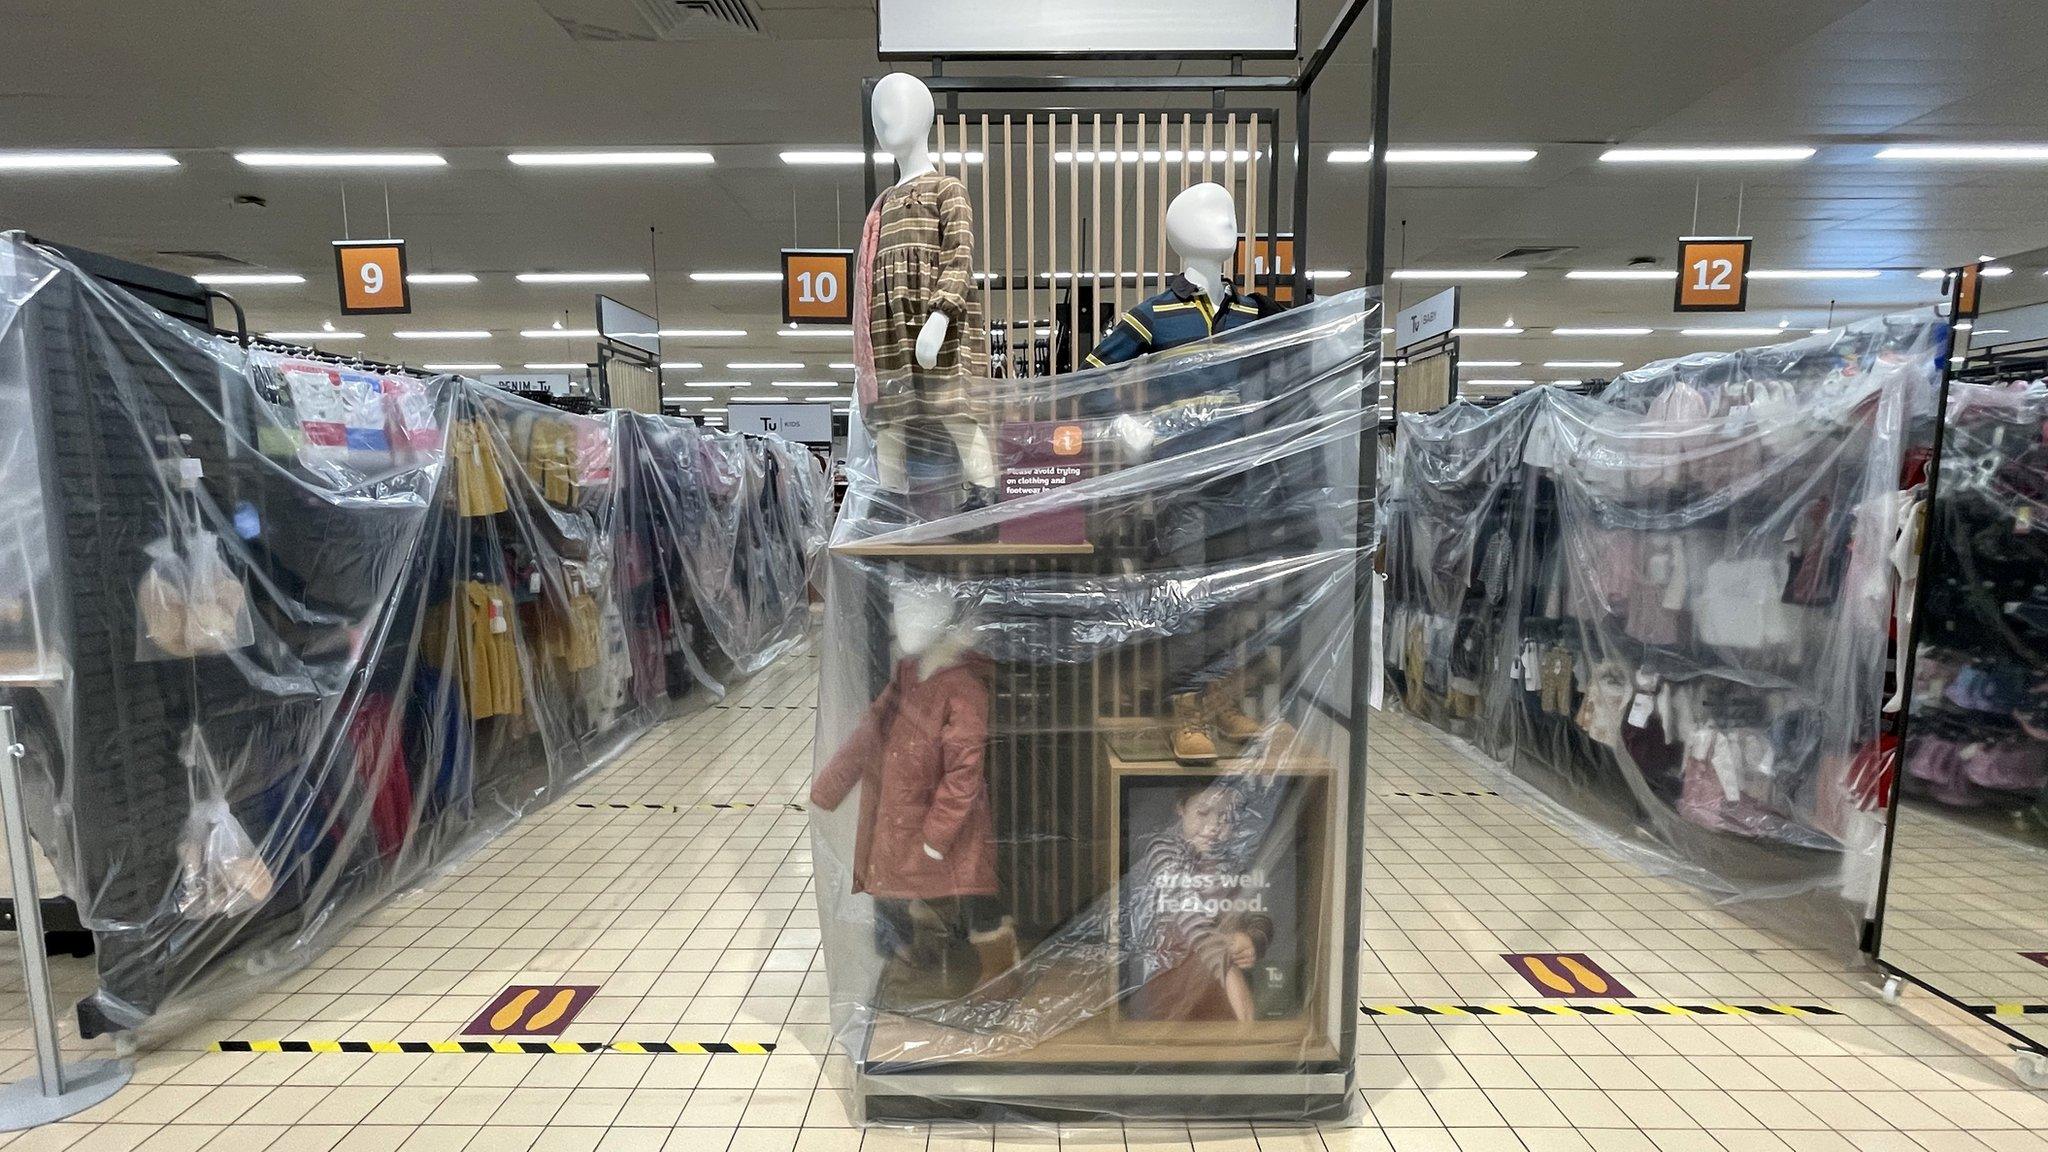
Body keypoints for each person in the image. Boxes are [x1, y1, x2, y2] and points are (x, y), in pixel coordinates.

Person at [1120, 781, 1274, 1022]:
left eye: (1224, 816)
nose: (1213, 826)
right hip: (1173, 987)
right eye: (1203, 813)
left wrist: (1252, 939)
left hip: (1220, 996)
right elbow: (1189, 916)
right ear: (1181, 808)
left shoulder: (1233, 856)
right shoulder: (1163, 849)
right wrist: (1229, 973)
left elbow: (1258, 911)